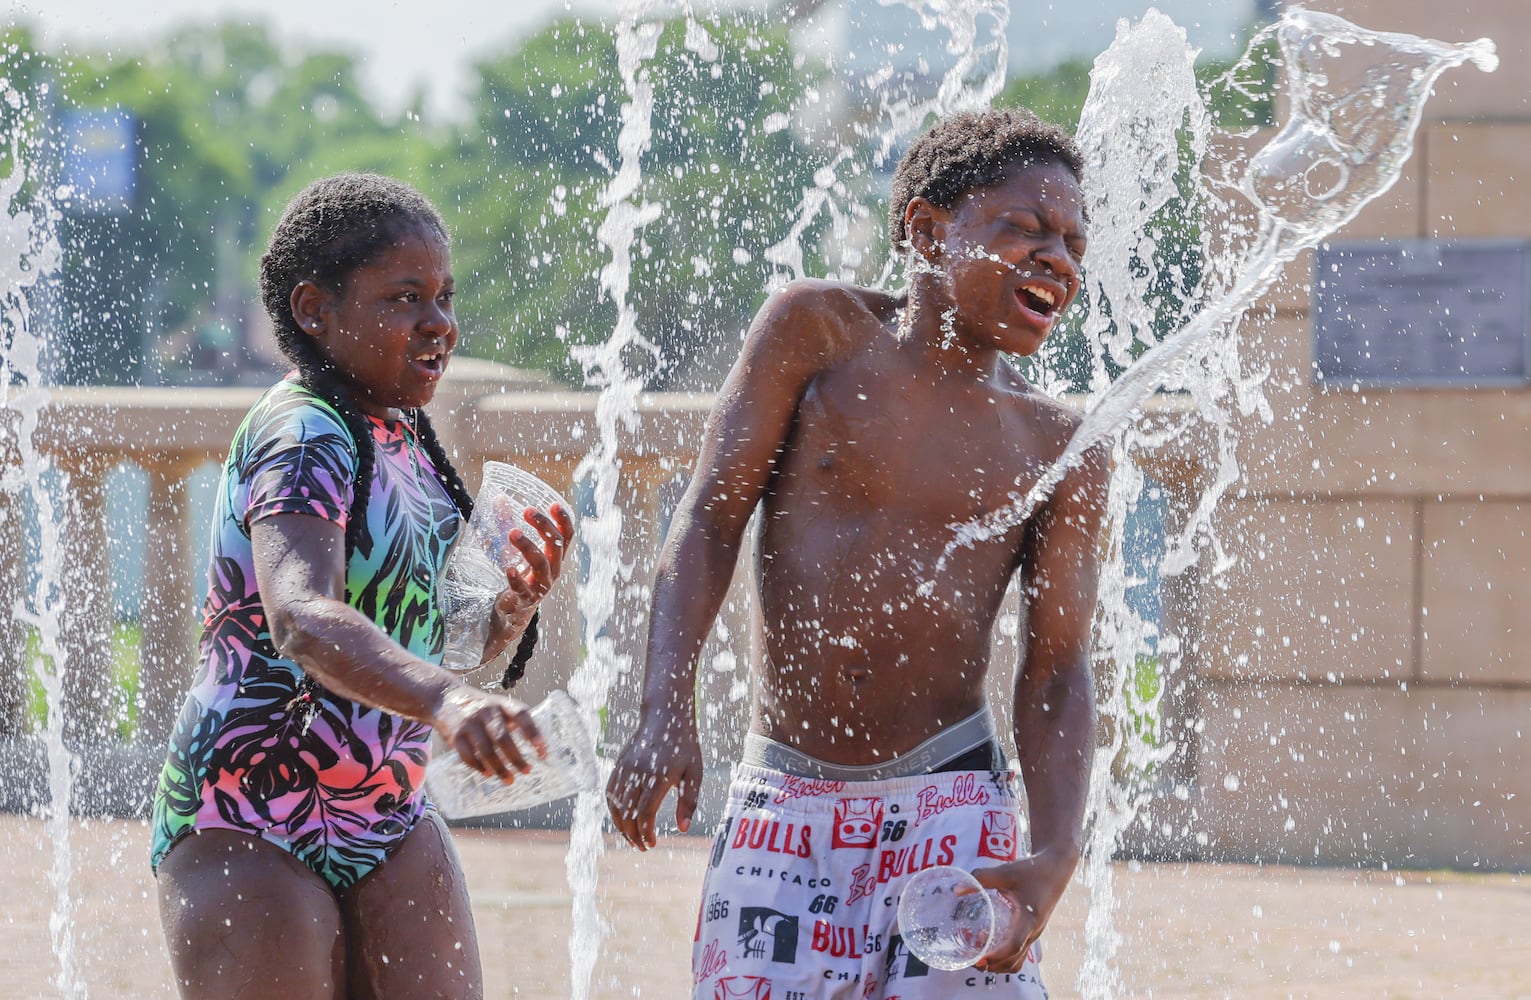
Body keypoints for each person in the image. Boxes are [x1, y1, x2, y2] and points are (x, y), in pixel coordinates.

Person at [606, 107, 1108, 999]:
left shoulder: (1058, 444)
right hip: (785, 798)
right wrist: (662, 709)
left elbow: (1058, 669)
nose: (1057, 258)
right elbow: (709, 522)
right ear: (926, 230)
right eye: (1024, 230)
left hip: (951, 800)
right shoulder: (818, 333)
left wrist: (1055, 853)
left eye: (1071, 240)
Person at [149, 172, 575, 999]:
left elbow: (430, 646)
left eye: (445, 297)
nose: (437, 323)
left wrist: (506, 609)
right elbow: (303, 620)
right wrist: (449, 703)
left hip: (384, 815)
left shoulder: (407, 434)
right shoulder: (304, 430)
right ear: (314, 310)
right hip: (249, 817)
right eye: (404, 297)